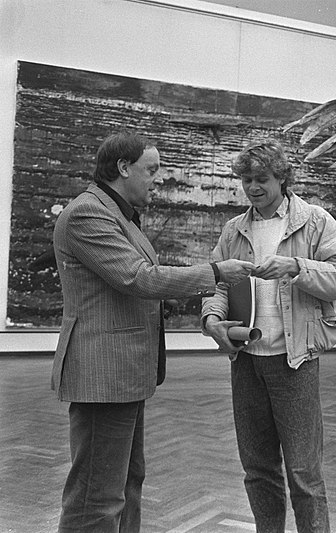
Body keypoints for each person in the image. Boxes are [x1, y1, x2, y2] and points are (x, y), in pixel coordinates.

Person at [52, 131, 254, 532]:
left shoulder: (117, 214)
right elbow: (139, 279)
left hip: (122, 375)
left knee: (126, 483)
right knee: (96, 496)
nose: (157, 179)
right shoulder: (86, 214)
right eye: (151, 169)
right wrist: (215, 273)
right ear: (123, 168)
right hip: (102, 376)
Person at [201, 138, 336, 533]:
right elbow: (216, 286)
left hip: (295, 363)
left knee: (304, 473)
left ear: (282, 177)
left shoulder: (316, 221)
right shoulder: (234, 230)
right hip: (247, 362)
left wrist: (296, 266)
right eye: (247, 180)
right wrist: (212, 322)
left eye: (262, 179)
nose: (253, 187)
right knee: (257, 469)